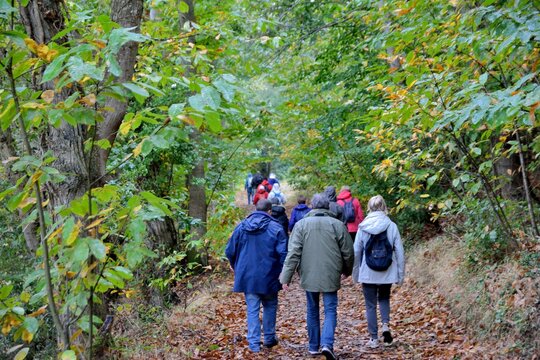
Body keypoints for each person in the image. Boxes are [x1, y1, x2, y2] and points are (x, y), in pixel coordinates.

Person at [279, 194, 354, 360]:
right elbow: (348, 252)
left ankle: (313, 346)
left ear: (312, 206)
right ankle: (327, 344)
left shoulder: (301, 225)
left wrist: (286, 277)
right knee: (330, 309)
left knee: (312, 309)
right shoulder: (337, 225)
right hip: (331, 272)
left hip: (309, 273)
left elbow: (293, 253)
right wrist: (347, 271)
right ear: (327, 207)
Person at [225, 199, 288, 353]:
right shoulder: (276, 228)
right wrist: (284, 273)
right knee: (270, 305)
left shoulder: (241, 227)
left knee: (252, 309)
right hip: (270, 275)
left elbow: (229, 251)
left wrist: (235, 266)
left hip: (248, 276)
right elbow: (283, 253)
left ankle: (253, 344)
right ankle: (268, 338)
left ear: (255, 209)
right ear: (270, 211)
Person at [352, 195, 405, 349]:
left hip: (368, 272)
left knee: (370, 305)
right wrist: (400, 275)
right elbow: (400, 252)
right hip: (387, 270)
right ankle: (386, 325)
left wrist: (356, 274)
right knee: (384, 299)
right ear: (384, 207)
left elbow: (357, 251)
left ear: (369, 207)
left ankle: (374, 339)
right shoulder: (391, 226)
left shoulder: (363, 226)